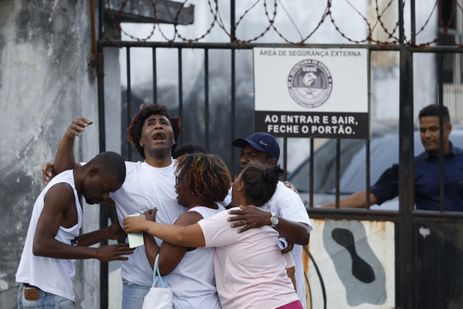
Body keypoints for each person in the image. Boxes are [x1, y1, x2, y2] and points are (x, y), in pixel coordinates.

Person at [49, 104, 184, 309]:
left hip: (185, 284)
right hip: (138, 285)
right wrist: (69, 136)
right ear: (140, 139)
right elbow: (65, 171)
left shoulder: (190, 171)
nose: (158, 126)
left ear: (173, 138)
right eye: (151, 124)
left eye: (164, 123)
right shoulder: (125, 174)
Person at [124, 163, 303, 309]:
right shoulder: (266, 222)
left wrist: (145, 225)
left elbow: (181, 235)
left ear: (240, 186)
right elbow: (290, 271)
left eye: (236, 180)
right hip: (289, 303)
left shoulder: (234, 218)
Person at [16, 151, 132, 308]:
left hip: (45, 295)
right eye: (104, 189)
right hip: (48, 297)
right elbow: (41, 245)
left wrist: (106, 233)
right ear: (92, 172)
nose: (104, 196)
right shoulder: (63, 190)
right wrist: (97, 253)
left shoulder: (73, 190)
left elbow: (66, 243)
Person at [323, 103, 463, 211]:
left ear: (448, 129)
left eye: (433, 129)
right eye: (422, 130)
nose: (426, 135)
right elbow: (370, 196)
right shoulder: (412, 168)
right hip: (429, 243)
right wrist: (320, 208)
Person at [228, 132, 312, 307]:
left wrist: (270, 219)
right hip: (242, 298)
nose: (244, 160)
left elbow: (303, 235)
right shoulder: (233, 192)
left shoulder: (285, 196)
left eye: (252, 155)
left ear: (271, 163)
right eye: (243, 155)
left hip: (281, 299)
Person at [142, 153, 230, 308]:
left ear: (194, 186)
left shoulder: (189, 219)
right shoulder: (220, 212)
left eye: (179, 180)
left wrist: (146, 230)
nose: (175, 186)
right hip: (209, 301)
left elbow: (161, 267)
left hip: (185, 302)